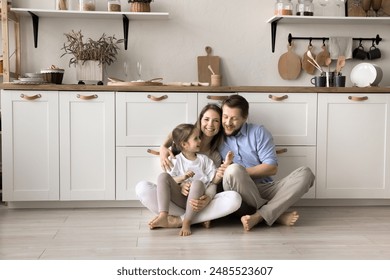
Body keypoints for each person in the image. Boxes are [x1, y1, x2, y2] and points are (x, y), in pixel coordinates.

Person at [218, 95, 315, 231]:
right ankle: (274, 215)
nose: (228, 122)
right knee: (233, 171)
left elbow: (271, 168)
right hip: (237, 191)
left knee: (306, 174)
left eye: (234, 118)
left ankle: (259, 216)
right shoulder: (215, 135)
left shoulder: (258, 132)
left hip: (265, 188)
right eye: (225, 116)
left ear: (245, 118)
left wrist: (242, 173)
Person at [135, 104, 242, 228]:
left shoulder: (214, 156)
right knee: (142, 187)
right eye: (206, 119)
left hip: (200, 199)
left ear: (220, 125)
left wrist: (207, 198)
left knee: (234, 198)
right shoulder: (185, 139)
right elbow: (169, 178)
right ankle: (194, 217)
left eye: (216, 120)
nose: (210, 124)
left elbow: (213, 182)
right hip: (178, 198)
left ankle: (180, 220)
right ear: (200, 120)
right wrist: (163, 147)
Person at [149, 123, 233, 236]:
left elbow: (214, 180)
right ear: (184, 144)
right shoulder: (176, 160)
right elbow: (170, 181)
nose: (200, 141)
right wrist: (182, 179)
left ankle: (186, 222)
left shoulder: (205, 160)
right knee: (162, 176)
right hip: (180, 198)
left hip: (197, 201)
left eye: (199, 138)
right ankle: (163, 215)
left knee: (197, 183)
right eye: (196, 138)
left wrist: (226, 165)